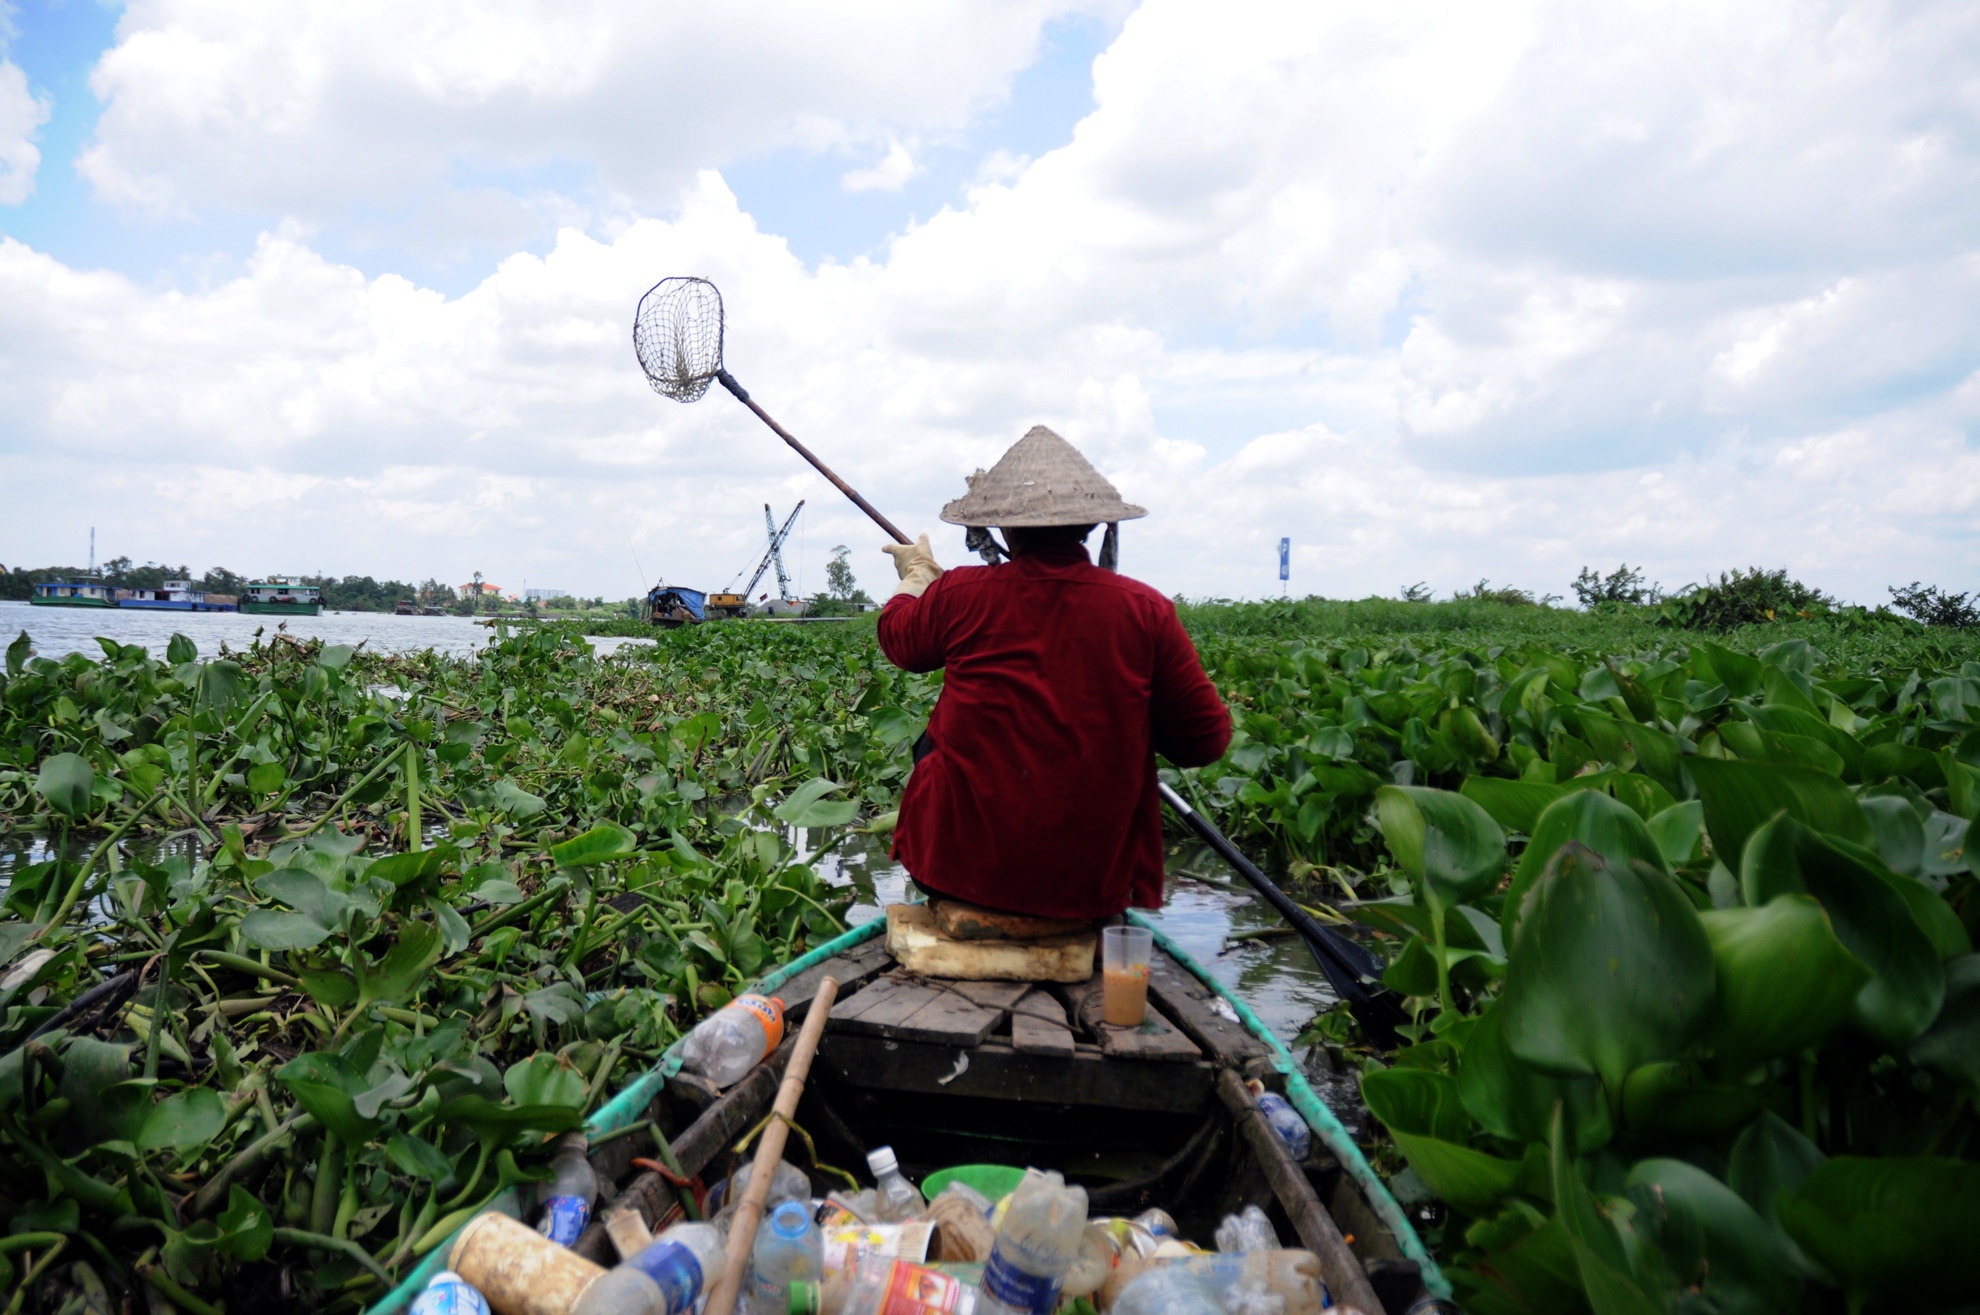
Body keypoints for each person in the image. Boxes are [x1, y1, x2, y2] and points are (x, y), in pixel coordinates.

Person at [876, 425, 1231, 920]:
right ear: (1090, 526)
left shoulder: (959, 593)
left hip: (957, 871)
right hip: (1091, 885)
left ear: (1003, 529)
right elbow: (1204, 743)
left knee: (932, 744)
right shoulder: (1145, 609)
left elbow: (898, 637)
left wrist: (918, 577)